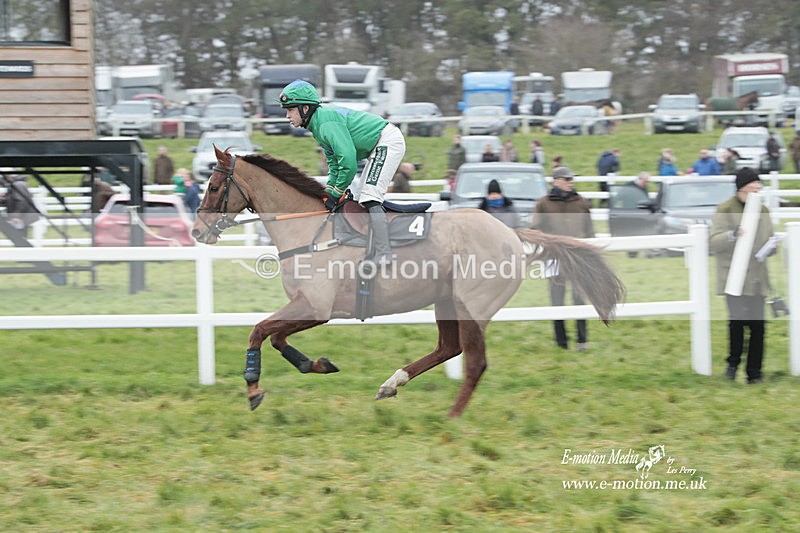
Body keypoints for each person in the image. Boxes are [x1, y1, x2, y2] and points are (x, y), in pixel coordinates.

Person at [280, 79, 406, 263]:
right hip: (376, 145)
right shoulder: (318, 125)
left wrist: (337, 192)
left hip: (387, 141)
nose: (287, 116)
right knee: (361, 198)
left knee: (370, 196)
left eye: (290, 109)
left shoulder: (325, 123)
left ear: (305, 109)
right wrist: (329, 192)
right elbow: (334, 163)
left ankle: (385, 253)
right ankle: (369, 246)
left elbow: (348, 163)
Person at [709, 168, 775, 384]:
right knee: (737, 323)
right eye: (751, 189)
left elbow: (769, 238)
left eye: (758, 189)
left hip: (757, 279)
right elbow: (714, 242)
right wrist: (732, 235)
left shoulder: (763, 210)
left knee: (758, 327)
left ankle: (754, 372)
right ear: (740, 189)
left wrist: (771, 247)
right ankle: (732, 365)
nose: (755, 193)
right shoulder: (725, 209)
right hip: (734, 278)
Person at [530, 167, 595, 351]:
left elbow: (590, 230)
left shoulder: (581, 202)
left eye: (571, 179)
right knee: (557, 300)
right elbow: (535, 229)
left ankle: (582, 340)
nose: (570, 182)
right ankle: (561, 342)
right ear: (556, 181)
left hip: (578, 258)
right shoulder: (543, 204)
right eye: (566, 179)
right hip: (554, 258)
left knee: (579, 298)